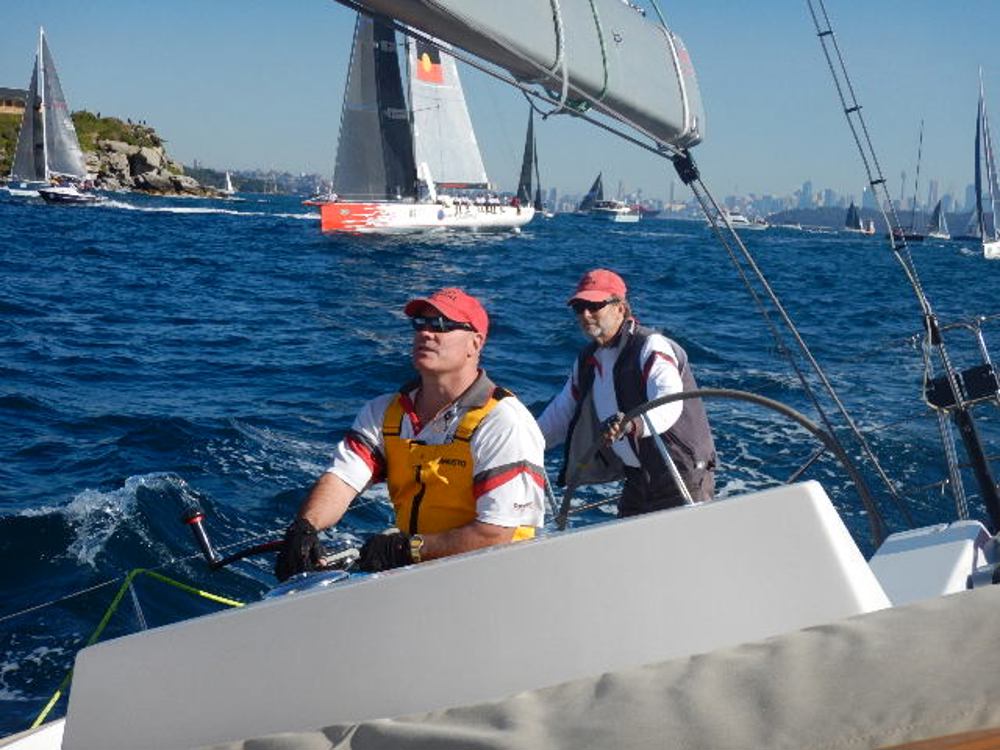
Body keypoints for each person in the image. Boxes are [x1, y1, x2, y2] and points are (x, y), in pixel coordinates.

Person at [275, 287, 547, 581]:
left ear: (475, 343)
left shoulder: (504, 422)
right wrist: (306, 526)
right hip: (420, 576)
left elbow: (496, 534)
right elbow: (343, 478)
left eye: (442, 325)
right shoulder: (384, 413)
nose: (426, 334)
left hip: (499, 579)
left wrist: (405, 549)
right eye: (420, 324)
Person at [537, 269, 716, 517]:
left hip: (680, 475)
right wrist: (524, 444)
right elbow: (560, 414)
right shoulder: (588, 360)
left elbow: (669, 401)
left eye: (594, 305)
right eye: (579, 307)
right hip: (637, 478)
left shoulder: (651, 346)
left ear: (620, 308)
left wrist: (634, 424)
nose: (585, 314)